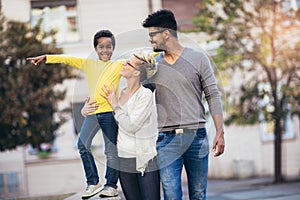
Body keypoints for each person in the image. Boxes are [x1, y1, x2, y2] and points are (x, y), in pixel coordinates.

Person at [27, 30, 121, 199]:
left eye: (109, 46)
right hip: (92, 113)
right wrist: (46, 58)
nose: (105, 50)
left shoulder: (118, 65)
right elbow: (67, 58)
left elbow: (139, 58)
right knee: (82, 145)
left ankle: (111, 185)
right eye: (101, 46)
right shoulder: (89, 64)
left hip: (109, 114)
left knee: (111, 151)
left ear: (113, 48)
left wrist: (155, 54)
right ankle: (93, 183)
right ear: (95, 48)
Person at [142, 9, 225, 200]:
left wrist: (220, 132)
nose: (150, 40)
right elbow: (139, 96)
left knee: (198, 194)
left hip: (196, 136)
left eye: (152, 35)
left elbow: (213, 94)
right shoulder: (153, 65)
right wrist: (138, 72)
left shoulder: (198, 58)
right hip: (166, 140)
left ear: (166, 33)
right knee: (171, 196)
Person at [83, 52, 160, 200]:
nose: (123, 64)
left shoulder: (145, 95)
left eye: (128, 63)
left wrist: (115, 105)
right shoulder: (119, 93)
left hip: (144, 160)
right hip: (124, 161)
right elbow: (105, 119)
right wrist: (85, 111)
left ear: (137, 72)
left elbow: (131, 125)